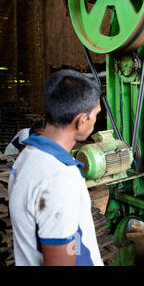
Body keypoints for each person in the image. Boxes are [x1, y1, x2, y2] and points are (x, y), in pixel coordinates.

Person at [8, 70, 103, 266]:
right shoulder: (59, 179)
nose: (95, 120)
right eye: (95, 115)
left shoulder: (27, 156)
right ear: (81, 120)